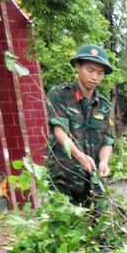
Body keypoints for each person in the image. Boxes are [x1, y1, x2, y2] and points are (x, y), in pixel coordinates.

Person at [45, 44, 115, 210]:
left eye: (100, 73)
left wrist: (104, 162)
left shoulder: (104, 106)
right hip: (64, 180)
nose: (95, 77)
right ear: (78, 66)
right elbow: (59, 131)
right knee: (67, 232)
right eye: (90, 70)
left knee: (100, 232)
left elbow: (107, 140)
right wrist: (79, 156)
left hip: (93, 182)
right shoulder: (59, 94)